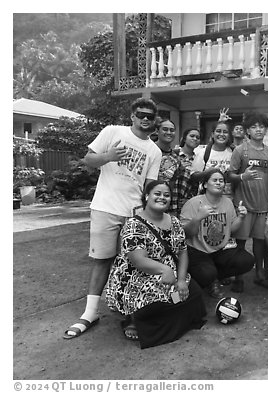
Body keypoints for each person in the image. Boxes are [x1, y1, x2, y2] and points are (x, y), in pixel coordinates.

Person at [63, 97, 162, 339]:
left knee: (133, 264)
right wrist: (109, 156)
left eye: (150, 116)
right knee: (101, 260)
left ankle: (131, 314)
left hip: (133, 213)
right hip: (105, 207)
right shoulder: (113, 132)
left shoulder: (154, 151)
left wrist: (147, 214)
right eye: (141, 114)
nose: (145, 119)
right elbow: (88, 160)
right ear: (132, 116)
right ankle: (90, 313)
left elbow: (149, 187)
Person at [106, 181, 207, 348]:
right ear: (146, 196)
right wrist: (164, 269)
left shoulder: (174, 222)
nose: (162, 197)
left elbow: (182, 252)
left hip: (169, 276)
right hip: (137, 277)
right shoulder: (134, 225)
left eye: (166, 195)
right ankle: (134, 317)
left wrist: (181, 280)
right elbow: (138, 260)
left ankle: (169, 310)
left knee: (191, 293)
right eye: (157, 193)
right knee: (159, 302)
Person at [180, 169, 255, 299]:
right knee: (206, 274)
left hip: (219, 249)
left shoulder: (227, 202)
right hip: (198, 251)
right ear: (204, 185)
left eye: (221, 181)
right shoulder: (193, 203)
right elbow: (187, 234)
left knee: (247, 260)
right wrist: (198, 218)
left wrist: (241, 217)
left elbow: (231, 229)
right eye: (215, 180)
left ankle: (216, 277)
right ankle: (209, 279)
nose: (219, 183)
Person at [229, 112, 268, 289]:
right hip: (243, 205)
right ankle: (238, 277)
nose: (258, 129)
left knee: (261, 241)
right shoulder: (240, 150)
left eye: (261, 126)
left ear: (266, 130)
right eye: (254, 126)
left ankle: (260, 273)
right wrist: (243, 176)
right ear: (248, 130)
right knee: (240, 242)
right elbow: (230, 175)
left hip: (263, 205)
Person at [170, 127, 202, 217]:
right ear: (184, 138)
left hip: (187, 204)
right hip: (170, 201)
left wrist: (190, 199)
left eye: (197, 137)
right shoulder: (174, 154)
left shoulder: (199, 159)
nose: (195, 139)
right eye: (192, 136)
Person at [155, 118, 180, 182]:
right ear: (157, 131)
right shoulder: (150, 150)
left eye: (172, 130)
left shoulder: (176, 158)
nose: (169, 132)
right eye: (165, 129)